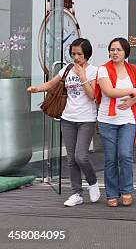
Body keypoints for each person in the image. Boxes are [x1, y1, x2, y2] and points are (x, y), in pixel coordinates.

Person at [28, 38, 100, 207]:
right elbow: (52, 84)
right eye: (73, 53)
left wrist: (82, 76)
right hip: (67, 119)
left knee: (81, 156)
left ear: (87, 54)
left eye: (79, 54)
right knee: (71, 159)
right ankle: (77, 193)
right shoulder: (66, 69)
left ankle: (93, 182)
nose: (76, 57)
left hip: (86, 120)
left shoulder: (94, 71)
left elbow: (92, 95)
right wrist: (36, 89)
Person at [96, 37, 136, 207]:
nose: (114, 52)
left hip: (127, 119)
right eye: (112, 49)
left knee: (125, 155)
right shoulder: (103, 69)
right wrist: (132, 90)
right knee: (111, 158)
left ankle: (126, 190)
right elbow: (109, 91)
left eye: (118, 49)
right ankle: (111, 193)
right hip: (106, 120)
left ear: (126, 52)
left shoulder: (132, 69)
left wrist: (132, 100)